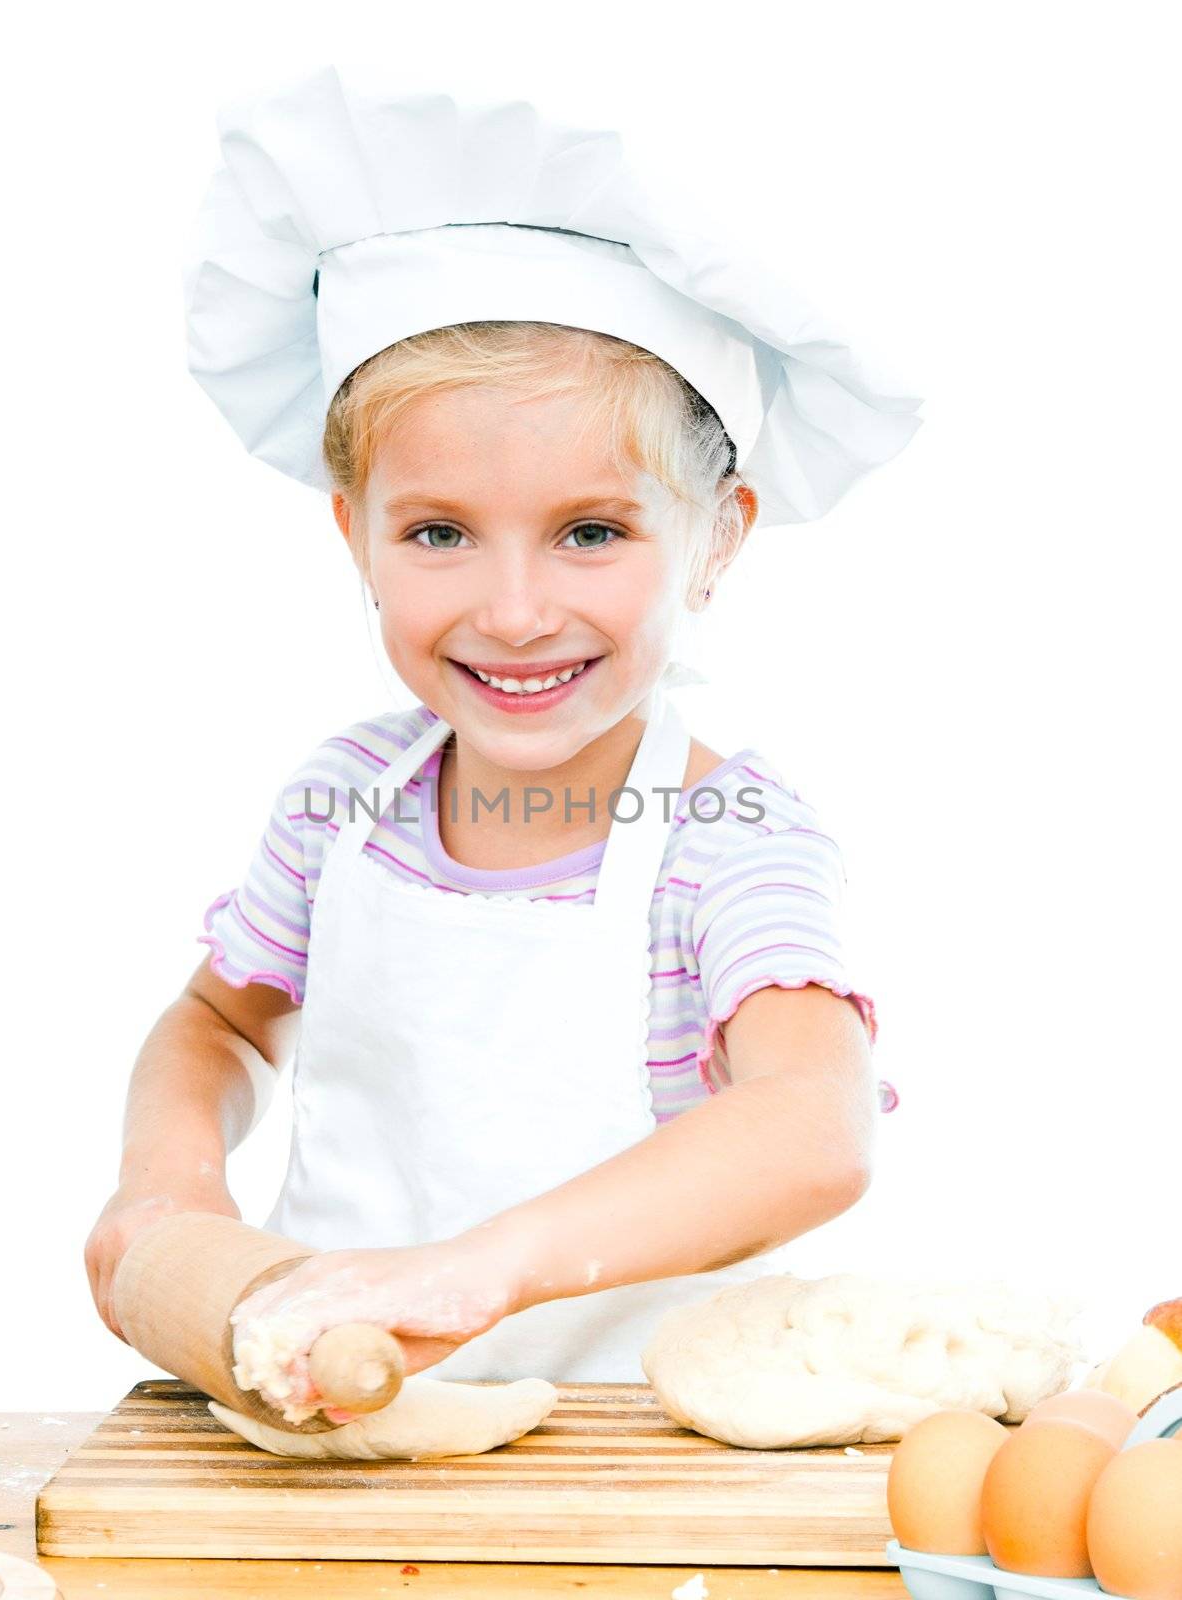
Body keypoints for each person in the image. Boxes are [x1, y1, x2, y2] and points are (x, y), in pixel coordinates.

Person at [85, 65, 922, 1425]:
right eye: (439, 532)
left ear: (717, 539)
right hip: (332, 1443)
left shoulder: (732, 847)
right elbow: (220, 1024)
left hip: (632, 1479)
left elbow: (814, 1130)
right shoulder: (342, 801)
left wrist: (480, 1275)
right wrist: (170, 1182)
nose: (516, 611)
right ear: (351, 529)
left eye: (592, 531)